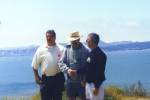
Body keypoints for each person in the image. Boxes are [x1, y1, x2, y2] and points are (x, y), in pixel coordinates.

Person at [71, 33, 107, 100]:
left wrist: (96, 87)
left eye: (87, 39)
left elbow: (100, 72)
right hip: (89, 84)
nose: (86, 41)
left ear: (92, 41)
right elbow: (87, 68)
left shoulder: (100, 55)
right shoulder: (92, 53)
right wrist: (77, 72)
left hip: (95, 85)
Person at [32, 30, 65, 100]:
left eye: (50, 36)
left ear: (55, 37)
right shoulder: (41, 50)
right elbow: (34, 65)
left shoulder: (61, 49)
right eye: (47, 36)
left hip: (58, 79)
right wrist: (36, 77)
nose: (48, 38)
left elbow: (67, 63)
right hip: (45, 80)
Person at [59, 32, 89, 100]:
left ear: (79, 40)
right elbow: (61, 63)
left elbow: (89, 66)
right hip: (70, 82)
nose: (73, 43)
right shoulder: (67, 49)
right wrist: (68, 70)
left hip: (82, 82)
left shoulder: (86, 50)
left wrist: (85, 79)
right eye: (72, 41)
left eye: (75, 41)